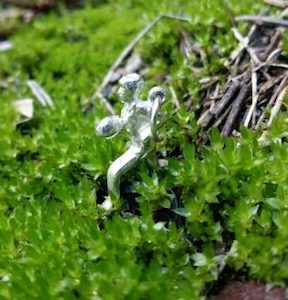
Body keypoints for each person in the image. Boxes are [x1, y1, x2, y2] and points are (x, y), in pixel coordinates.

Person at [96, 73, 166, 207]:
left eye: (122, 89)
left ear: (132, 91)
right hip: (136, 144)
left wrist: (148, 133)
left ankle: (114, 203)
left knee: (113, 172)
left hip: (139, 147)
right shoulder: (126, 109)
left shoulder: (140, 107)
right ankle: (158, 170)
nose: (118, 91)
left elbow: (161, 116)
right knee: (152, 161)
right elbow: (125, 123)